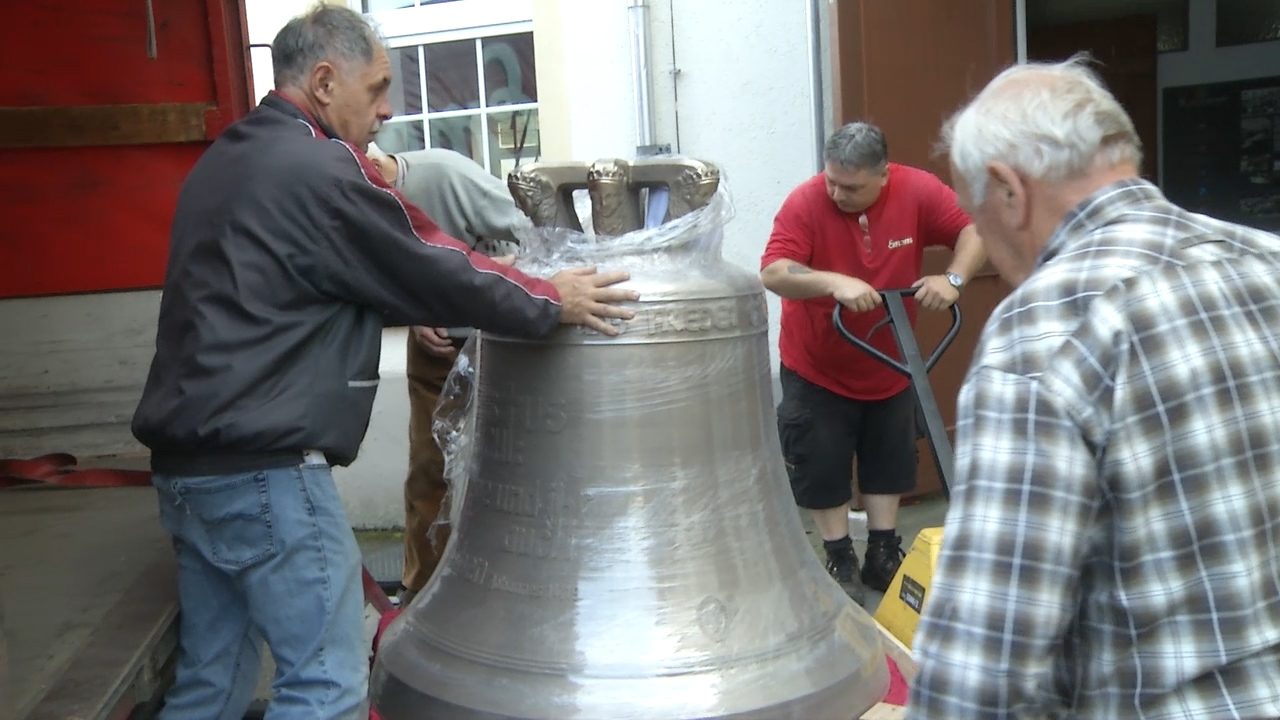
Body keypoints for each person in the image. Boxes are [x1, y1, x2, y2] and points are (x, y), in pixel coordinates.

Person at [129, 6, 638, 719]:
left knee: (211, 682)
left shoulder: (228, 160)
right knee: (325, 684)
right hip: (265, 476)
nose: (387, 110)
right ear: (324, 81)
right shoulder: (319, 166)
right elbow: (429, 255)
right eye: (376, 89)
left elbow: (286, 290)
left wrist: (407, 305)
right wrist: (550, 298)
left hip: (190, 473)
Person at [908, 56, 1280, 718]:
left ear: (1009, 191)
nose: (986, 243)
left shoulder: (1044, 329)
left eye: (976, 215)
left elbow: (983, 670)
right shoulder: (1267, 258)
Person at [759, 122, 986, 603]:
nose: (838, 194)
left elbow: (973, 229)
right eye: (832, 182)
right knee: (822, 461)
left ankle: (883, 553)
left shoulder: (918, 190)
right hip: (817, 363)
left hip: (891, 359)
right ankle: (839, 554)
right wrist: (832, 282)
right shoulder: (805, 202)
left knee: (891, 456)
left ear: (884, 175)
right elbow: (775, 271)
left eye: (852, 187)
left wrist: (954, 279)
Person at [365, 143, 527, 607]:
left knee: (508, 471)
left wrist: (490, 279)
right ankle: (420, 596)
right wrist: (415, 312)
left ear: (373, 165)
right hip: (434, 349)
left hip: (500, 342)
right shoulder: (354, 205)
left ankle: (506, 593)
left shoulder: (446, 176)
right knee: (429, 475)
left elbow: (543, 235)